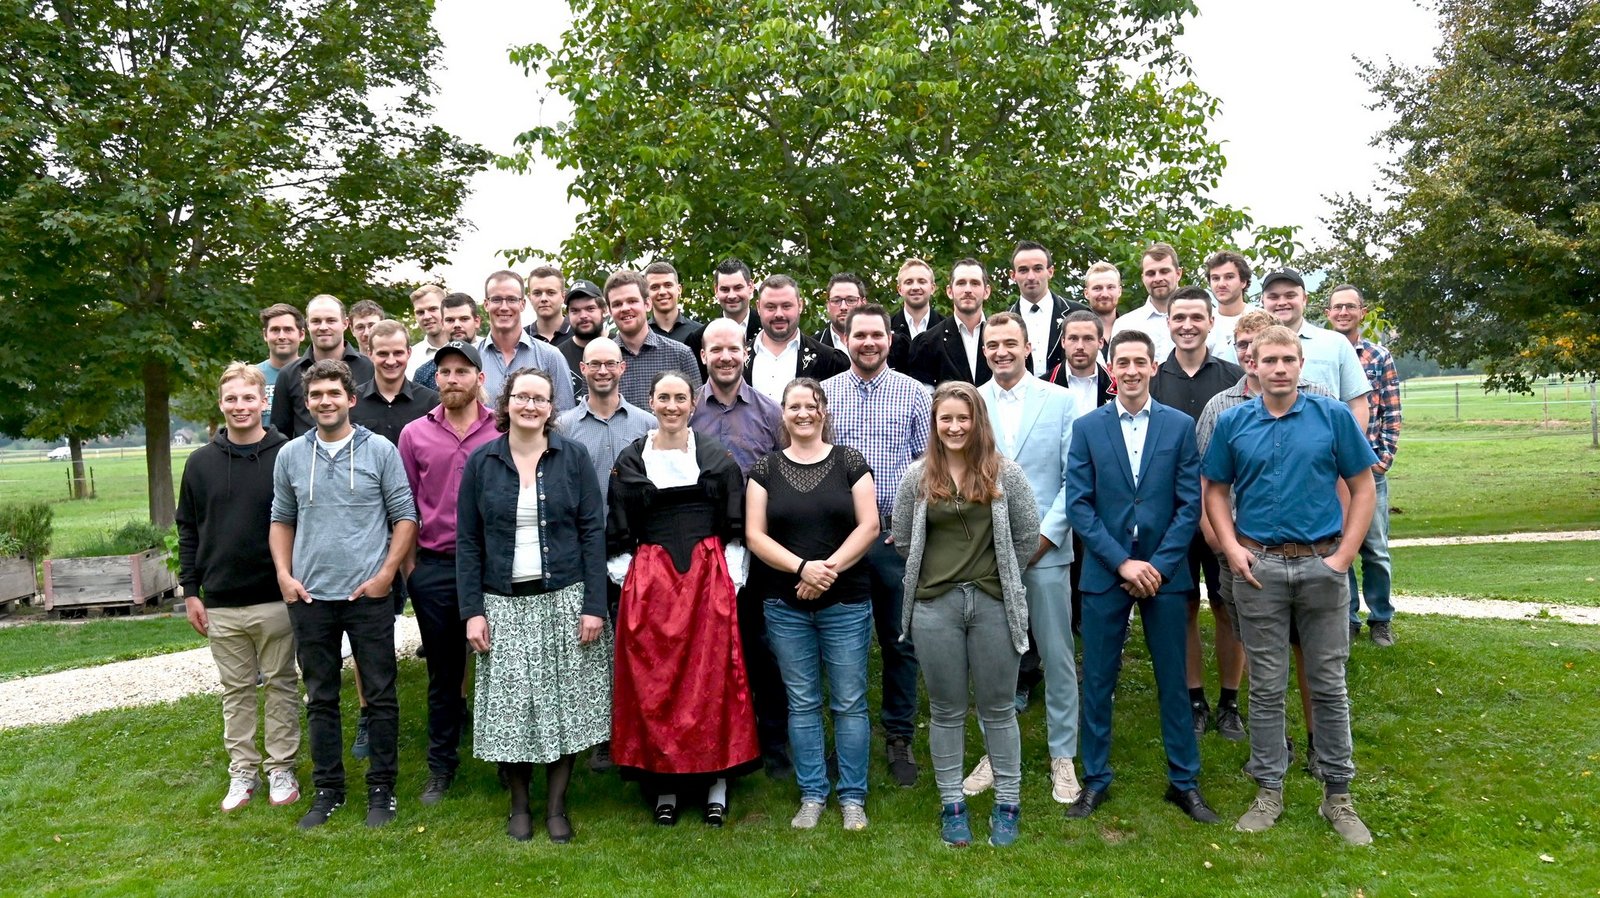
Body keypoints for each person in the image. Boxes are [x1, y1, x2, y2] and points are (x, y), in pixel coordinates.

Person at [1202, 324, 1378, 845]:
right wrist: (1232, 548)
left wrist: (1344, 556)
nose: (1279, 369)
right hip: (1260, 571)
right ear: (1252, 365)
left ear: (1301, 365)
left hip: (1323, 567)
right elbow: (1214, 490)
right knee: (1266, 686)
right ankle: (1268, 791)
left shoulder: (1332, 416)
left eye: (1288, 360)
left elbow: (1363, 486)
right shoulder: (1234, 422)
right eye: (1269, 360)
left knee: (1329, 684)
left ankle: (1338, 796)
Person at [1065, 330, 1219, 825]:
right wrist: (1121, 562)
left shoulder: (1179, 426)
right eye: (1122, 362)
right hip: (1106, 571)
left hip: (1164, 572)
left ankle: (1184, 782)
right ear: (1111, 368)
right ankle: (1095, 779)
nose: (1131, 370)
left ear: (1154, 367)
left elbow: (1189, 503)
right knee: (1098, 680)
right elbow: (1079, 505)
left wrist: (1158, 564)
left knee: (1174, 680)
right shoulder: (1088, 427)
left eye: (1140, 362)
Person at [456, 368, 612, 843]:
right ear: (507, 403)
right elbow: (468, 541)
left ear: (551, 407)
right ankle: (520, 805)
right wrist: (472, 611)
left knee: (565, 704)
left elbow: (592, 532)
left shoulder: (573, 457)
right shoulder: (482, 462)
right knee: (512, 708)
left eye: (539, 399)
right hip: (501, 603)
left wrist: (594, 605)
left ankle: (557, 807)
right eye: (522, 397)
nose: (530, 406)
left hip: (564, 599)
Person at [269, 359, 417, 829]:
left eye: (334, 393)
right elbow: (281, 519)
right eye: (316, 395)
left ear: (351, 399)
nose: (325, 402)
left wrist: (385, 575)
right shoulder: (291, 455)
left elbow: (405, 516)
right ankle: (328, 790)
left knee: (381, 695)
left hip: (367, 596)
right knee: (321, 697)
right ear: (307, 403)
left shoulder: (380, 451)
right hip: (310, 597)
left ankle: (382, 788)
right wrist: (284, 576)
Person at [607, 371, 758, 826]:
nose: (672, 406)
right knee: (657, 680)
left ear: (693, 404)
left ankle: (717, 782)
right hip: (651, 583)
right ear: (651, 402)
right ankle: (665, 784)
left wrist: (729, 579)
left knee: (712, 681)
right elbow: (619, 525)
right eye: (663, 397)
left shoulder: (716, 459)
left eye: (680, 398)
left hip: (706, 579)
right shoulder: (631, 460)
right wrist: (630, 577)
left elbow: (735, 525)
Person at [892, 381, 1039, 848]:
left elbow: (1026, 535)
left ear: (978, 422)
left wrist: (1000, 575)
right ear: (935, 425)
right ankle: (952, 804)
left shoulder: (1005, 473)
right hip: (935, 607)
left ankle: (1008, 803)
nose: (955, 427)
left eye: (963, 418)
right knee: (946, 710)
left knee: (998, 709)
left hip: (994, 604)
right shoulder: (917, 477)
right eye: (946, 419)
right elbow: (903, 537)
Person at [1195, 310, 1337, 779]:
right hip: (1245, 551)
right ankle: (1275, 750)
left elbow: (1346, 478)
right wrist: (1223, 545)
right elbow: (1208, 482)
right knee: (1261, 658)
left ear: (1295, 357)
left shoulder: (1322, 402)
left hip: (1313, 552)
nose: (1267, 362)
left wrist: (1340, 550)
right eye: (1245, 346)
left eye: (1281, 355)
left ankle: (1320, 744)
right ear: (1245, 355)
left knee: (1311, 654)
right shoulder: (1221, 408)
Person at [745, 378, 879, 831]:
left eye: (811, 405)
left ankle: (853, 797)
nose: (803, 413)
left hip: (846, 602)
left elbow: (869, 526)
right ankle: (812, 794)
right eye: (794, 406)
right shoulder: (764, 469)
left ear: (824, 411)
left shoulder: (850, 462)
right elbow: (755, 535)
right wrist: (803, 569)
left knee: (849, 702)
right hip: (785, 605)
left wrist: (825, 572)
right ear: (782, 414)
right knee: (802, 702)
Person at [967, 313, 1083, 806]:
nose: (1001, 352)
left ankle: (1063, 755)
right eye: (993, 345)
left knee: (1056, 655)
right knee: (993, 658)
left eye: (1010, 343)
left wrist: (1045, 537)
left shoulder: (1060, 401)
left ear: (1028, 346)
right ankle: (995, 755)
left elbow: (1074, 478)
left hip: (1047, 552)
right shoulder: (973, 402)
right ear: (985, 351)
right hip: (987, 554)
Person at [176, 363, 299, 813]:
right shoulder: (200, 463)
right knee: (236, 690)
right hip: (222, 600)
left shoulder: (287, 454)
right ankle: (243, 771)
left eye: (249, 398)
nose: (240, 406)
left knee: (282, 685)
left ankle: (281, 766)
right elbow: (188, 528)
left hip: (275, 596)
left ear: (264, 402)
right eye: (232, 399)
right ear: (221, 404)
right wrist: (191, 590)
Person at [823, 303, 931, 788]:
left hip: (894, 538)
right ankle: (846, 738)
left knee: (899, 640)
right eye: (859, 335)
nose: (868, 342)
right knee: (839, 643)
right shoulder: (825, 396)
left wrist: (910, 530)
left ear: (890, 339)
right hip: (838, 540)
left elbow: (929, 469)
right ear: (845, 338)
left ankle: (899, 735)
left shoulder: (915, 394)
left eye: (877, 335)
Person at [397, 339, 498, 807]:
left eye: (462, 371)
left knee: (502, 669)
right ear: (435, 379)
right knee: (443, 674)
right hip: (436, 567)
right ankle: (441, 767)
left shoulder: (501, 429)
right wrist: (412, 568)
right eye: (445, 372)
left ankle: (508, 762)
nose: (453, 379)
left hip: (493, 568)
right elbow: (404, 506)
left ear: (480, 378)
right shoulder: (415, 434)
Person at [1149, 287, 1247, 742]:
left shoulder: (1233, 377)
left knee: (1228, 606)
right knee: (1183, 606)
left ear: (1211, 322)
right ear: (1168, 323)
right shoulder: (1153, 378)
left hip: (1225, 513)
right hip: (1171, 515)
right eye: (1179, 317)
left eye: (1196, 317)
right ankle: (1193, 699)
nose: (1187, 325)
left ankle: (1230, 702)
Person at [692, 318, 790, 775]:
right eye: (716, 349)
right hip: (704, 546)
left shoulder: (770, 413)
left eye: (733, 348)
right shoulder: (687, 409)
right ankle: (713, 741)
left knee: (763, 645)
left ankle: (774, 741)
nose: (725, 357)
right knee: (708, 647)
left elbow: (787, 475)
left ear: (745, 353)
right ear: (703, 356)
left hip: (762, 545)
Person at [1326, 284, 1402, 646]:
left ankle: (1381, 618)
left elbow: (1392, 411)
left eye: (1350, 307)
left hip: (1368, 467)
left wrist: (1382, 461)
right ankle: (1348, 617)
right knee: (1339, 543)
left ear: (1362, 312)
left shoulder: (1378, 356)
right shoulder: (1322, 350)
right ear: (1327, 313)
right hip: (1332, 470)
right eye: (1337, 307)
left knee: (1375, 548)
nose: (1343, 312)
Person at [1258, 268, 1371, 429]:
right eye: (1273, 297)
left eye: (1290, 295)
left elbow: (1358, 405)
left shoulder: (1336, 344)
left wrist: (1350, 444)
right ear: (1262, 300)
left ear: (1304, 299)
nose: (1282, 302)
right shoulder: (1246, 348)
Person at [269, 294, 375, 438]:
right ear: (307, 325)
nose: (323, 327)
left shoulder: (370, 368)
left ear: (345, 324)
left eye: (331, 320)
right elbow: (280, 434)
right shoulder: (288, 374)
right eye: (316, 321)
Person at [477, 270, 575, 409]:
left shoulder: (550, 357)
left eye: (512, 299)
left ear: (522, 304)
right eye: (496, 299)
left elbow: (564, 415)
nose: (504, 307)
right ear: (486, 304)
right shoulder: (471, 357)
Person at [745, 274, 849, 403]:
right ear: (758, 307)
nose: (779, 314)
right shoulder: (737, 359)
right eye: (771, 307)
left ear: (800, 305)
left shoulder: (830, 360)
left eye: (786, 306)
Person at [606, 269, 702, 408]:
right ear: (609, 311)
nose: (625, 308)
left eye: (632, 301)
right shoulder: (602, 362)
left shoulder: (681, 355)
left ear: (647, 304)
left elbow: (696, 409)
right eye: (617, 304)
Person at [1007, 240, 1089, 377]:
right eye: (1023, 270)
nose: (1031, 277)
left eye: (1038, 269)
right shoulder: (1004, 320)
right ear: (1013, 275)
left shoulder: (1078, 313)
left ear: (1050, 272)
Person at [909, 258, 994, 387]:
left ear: (986, 292)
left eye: (975, 283)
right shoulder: (927, 343)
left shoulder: (1002, 338)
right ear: (949, 291)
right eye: (961, 283)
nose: (968, 289)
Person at [353, 320, 439, 447]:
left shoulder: (431, 402)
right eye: (383, 354)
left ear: (409, 353)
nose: (391, 361)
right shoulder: (352, 402)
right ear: (370, 354)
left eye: (398, 353)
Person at [1112, 242, 1185, 362]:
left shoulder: (1203, 320)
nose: (1158, 278)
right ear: (1143, 278)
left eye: (1164, 271)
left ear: (1178, 274)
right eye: (1151, 273)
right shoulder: (1125, 325)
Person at [413, 293, 481, 392]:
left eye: (464, 319)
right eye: (450, 320)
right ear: (442, 324)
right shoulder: (425, 372)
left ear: (477, 321)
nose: (457, 325)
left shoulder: (497, 358)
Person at [1204, 251, 1259, 363]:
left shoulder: (1262, 319)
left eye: (1229, 277)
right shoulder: (1202, 322)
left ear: (1243, 282)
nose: (1221, 284)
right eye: (1215, 278)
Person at [258, 303, 306, 415]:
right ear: (265, 335)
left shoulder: (315, 373)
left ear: (301, 334)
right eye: (275, 330)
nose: (281, 336)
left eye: (288, 330)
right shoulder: (251, 377)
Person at [645, 261, 702, 345]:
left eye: (668, 285)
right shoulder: (639, 335)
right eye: (655, 287)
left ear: (679, 289)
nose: (662, 292)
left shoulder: (700, 333)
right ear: (646, 293)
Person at [890, 258, 944, 343]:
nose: (915, 287)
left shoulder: (947, 328)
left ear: (932, 288)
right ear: (899, 289)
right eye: (909, 282)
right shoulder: (887, 328)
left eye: (922, 282)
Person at [406, 285, 448, 379]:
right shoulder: (409, 358)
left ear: (446, 309)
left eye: (433, 309)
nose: (427, 317)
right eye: (420, 312)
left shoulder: (475, 348)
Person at [523, 265, 573, 344]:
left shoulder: (581, 334)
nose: (543, 299)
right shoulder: (521, 339)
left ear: (563, 296)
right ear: (530, 298)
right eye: (537, 293)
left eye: (551, 293)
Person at [1081, 261, 1123, 349]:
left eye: (1110, 287)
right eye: (1097, 288)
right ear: (1086, 293)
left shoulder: (1132, 327)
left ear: (1119, 291)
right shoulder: (1075, 331)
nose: (1104, 294)